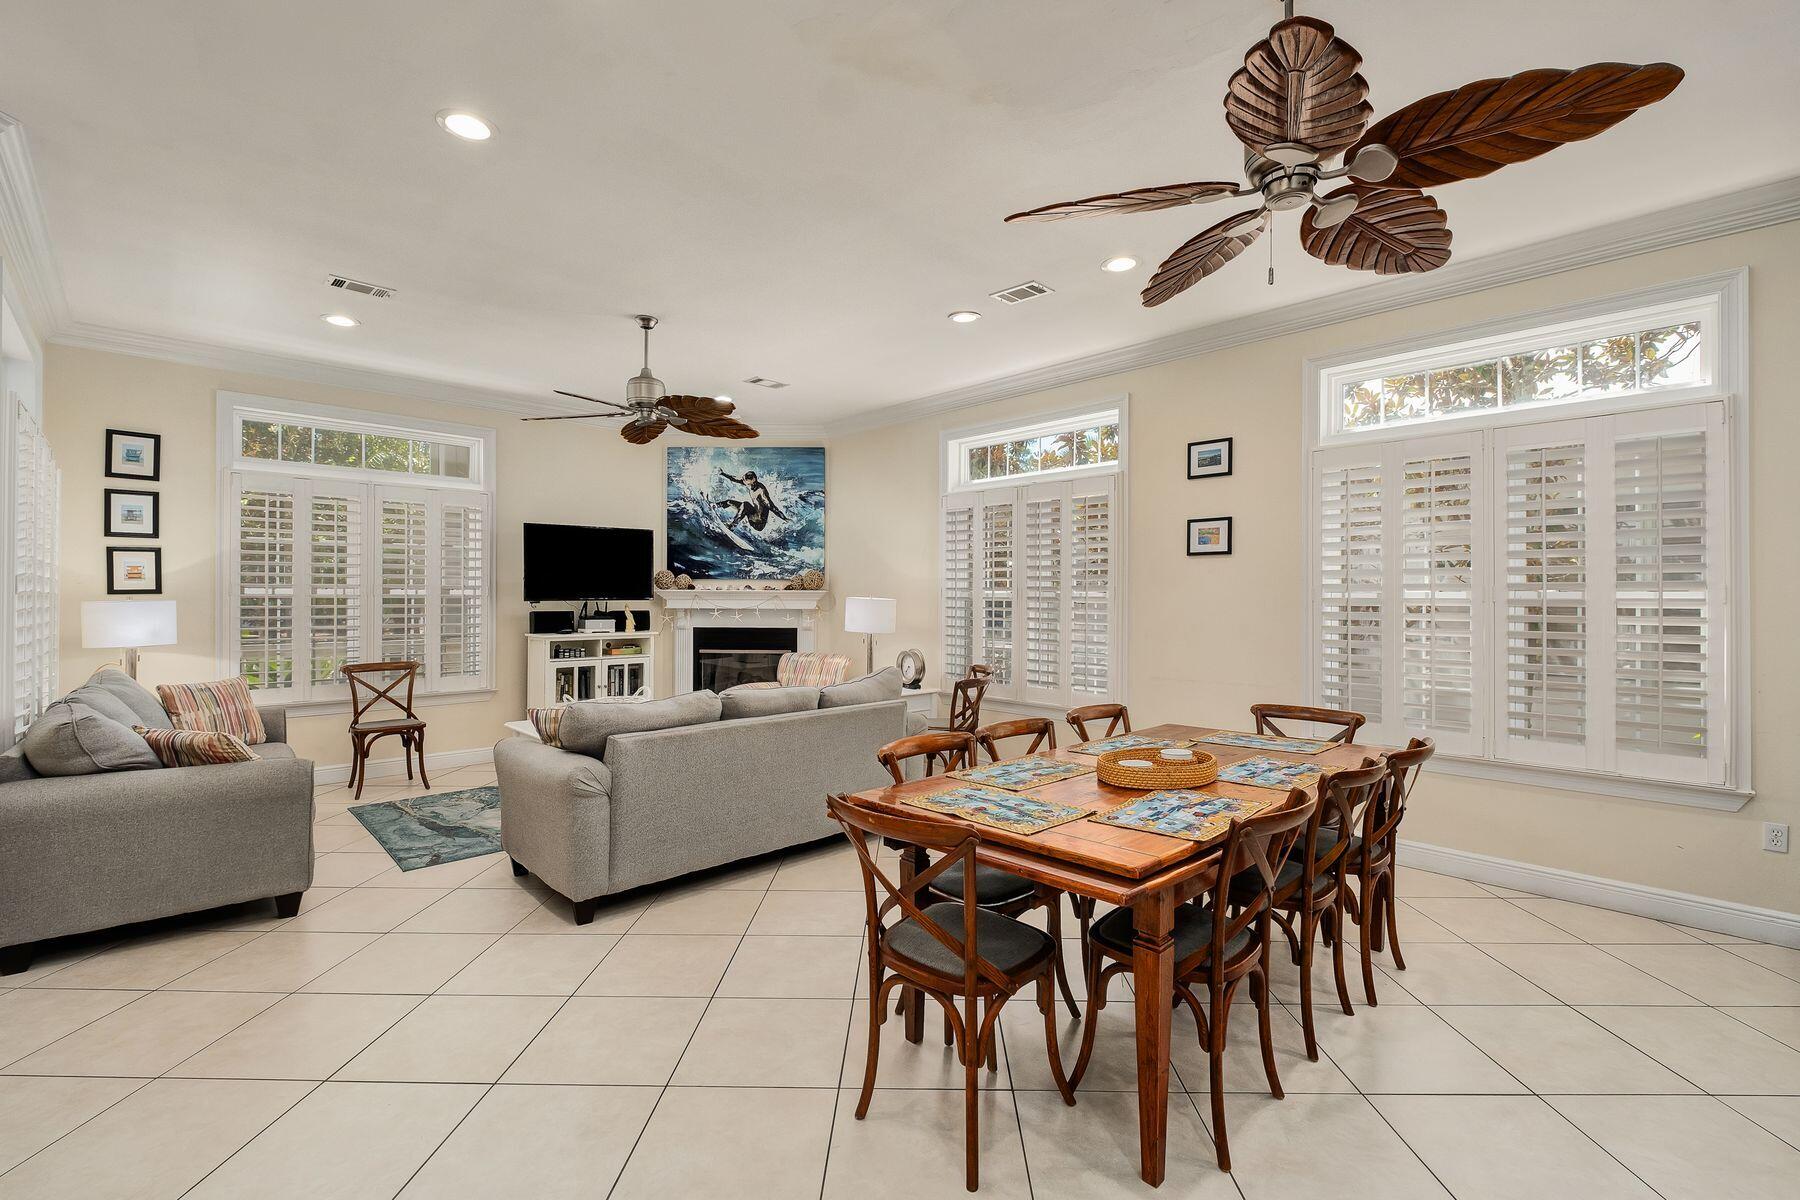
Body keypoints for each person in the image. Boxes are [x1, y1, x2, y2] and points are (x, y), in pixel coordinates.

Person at [716, 468, 786, 531]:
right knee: (729, 502)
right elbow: (734, 479)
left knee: (745, 505)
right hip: (753, 515)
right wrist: (722, 473)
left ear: (753, 480)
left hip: (759, 523)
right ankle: (713, 506)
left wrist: (784, 518)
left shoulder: (761, 491)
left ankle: (731, 527)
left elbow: (772, 507)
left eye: (745, 480)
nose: (743, 481)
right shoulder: (750, 484)